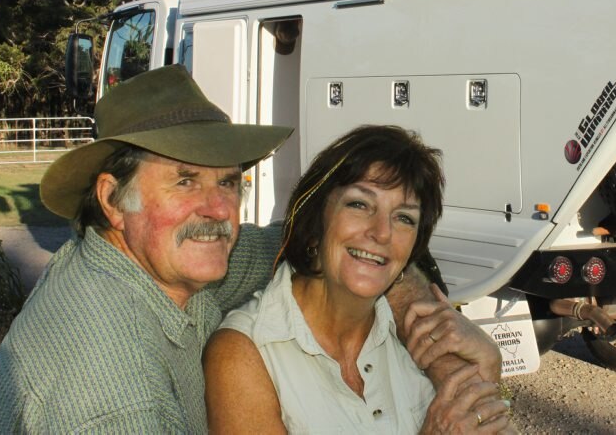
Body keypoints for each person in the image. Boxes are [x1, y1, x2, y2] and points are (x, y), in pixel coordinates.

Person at [0, 66, 502, 433]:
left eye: (228, 182)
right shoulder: (108, 374)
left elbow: (329, 242)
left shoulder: (174, 266)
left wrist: (415, 303)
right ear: (113, 199)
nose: (218, 209)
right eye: (184, 181)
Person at [204, 126, 512, 433]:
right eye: (359, 204)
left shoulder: (413, 334)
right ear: (314, 220)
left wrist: (485, 376)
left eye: (404, 217)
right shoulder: (243, 355)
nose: (382, 233)